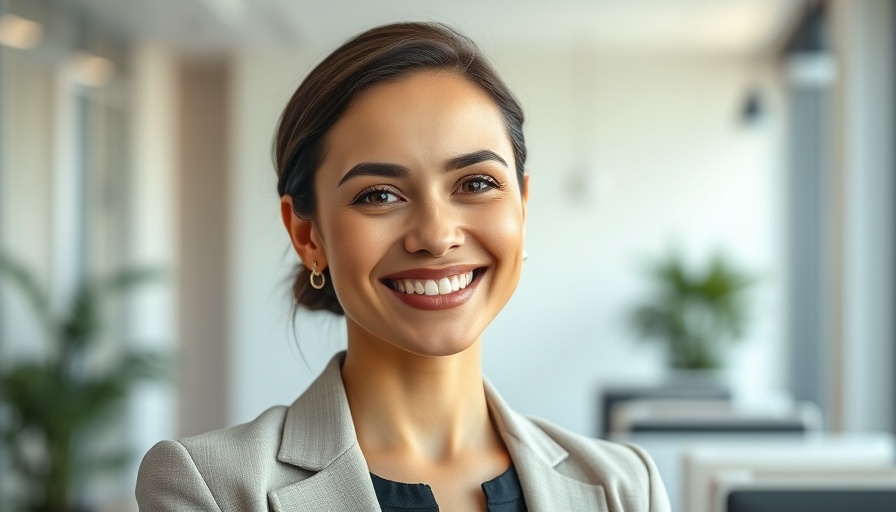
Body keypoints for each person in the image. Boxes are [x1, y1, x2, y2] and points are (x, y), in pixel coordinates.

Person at [136, 22, 671, 512]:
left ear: (523, 209)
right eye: (380, 194)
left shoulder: (624, 487)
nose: (437, 236)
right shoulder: (210, 487)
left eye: (477, 183)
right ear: (307, 235)